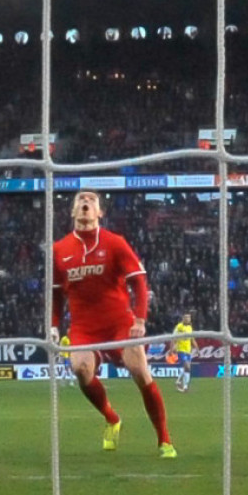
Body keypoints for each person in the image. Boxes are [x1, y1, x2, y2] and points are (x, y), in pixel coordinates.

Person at [51, 190, 175, 458]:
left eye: (92, 200)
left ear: (100, 212)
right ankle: (111, 418)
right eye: (80, 200)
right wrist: (53, 325)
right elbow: (56, 294)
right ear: (73, 211)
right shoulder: (59, 250)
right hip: (84, 328)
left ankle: (164, 440)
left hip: (120, 323)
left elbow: (139, 282)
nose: (85, 202)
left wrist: (140, 319)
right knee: (81, 370)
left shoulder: (115, 243)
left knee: (139, 371)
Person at [171, 313, 194, 393]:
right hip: (180, 350)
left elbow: (192, 339)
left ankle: (178, 381)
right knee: (187, 367)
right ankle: (185, 386)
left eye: (189, 317)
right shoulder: (179, 327)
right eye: (186, 317)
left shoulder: (190, 327)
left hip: (188, 350)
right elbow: (173, 338)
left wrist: (197, 348)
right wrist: (172, 348)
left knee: (186, 368)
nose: (188, 319)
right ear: (183, 318)